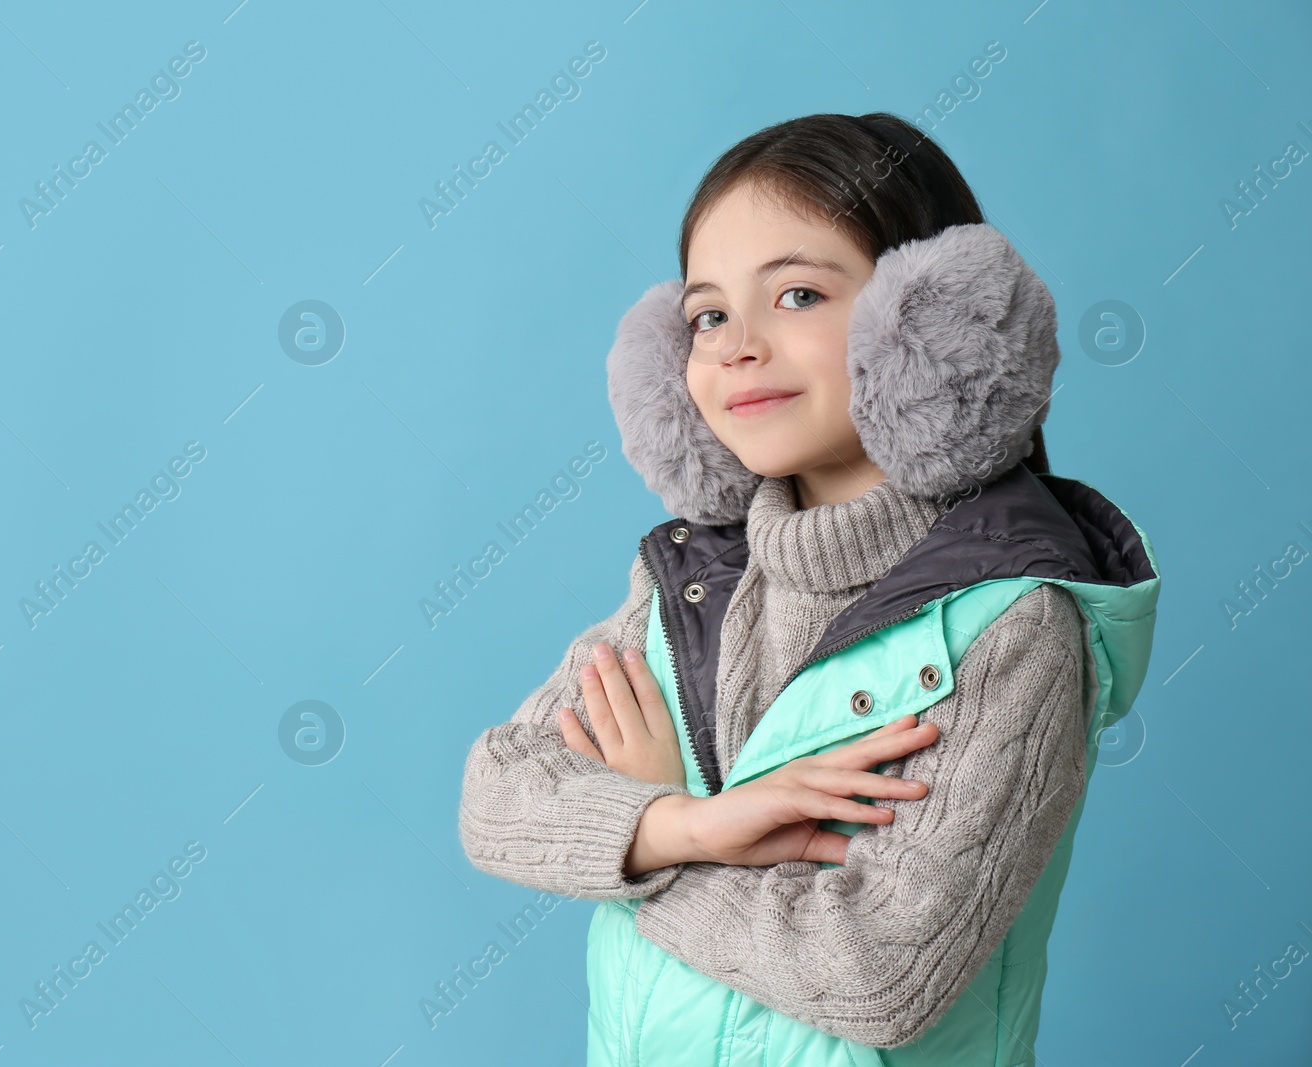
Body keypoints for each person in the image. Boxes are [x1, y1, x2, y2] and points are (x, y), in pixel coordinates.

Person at [456, 112, 1161, 1066]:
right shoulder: (685, 587)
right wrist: (691, 823)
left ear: (927, 326)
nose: (738, 344)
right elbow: (498, 797)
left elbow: (877, 971)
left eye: (795, 294)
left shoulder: (1008, 625)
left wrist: (647, 856)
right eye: (709, 315)